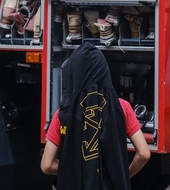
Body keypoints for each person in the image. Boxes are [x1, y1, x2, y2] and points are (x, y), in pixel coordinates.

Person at [40, 42, 150, 188]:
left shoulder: (63, 113)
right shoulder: (122, 107)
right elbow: (144, 154)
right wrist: (122, 175)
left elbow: (47, 165)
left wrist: (77, 172)